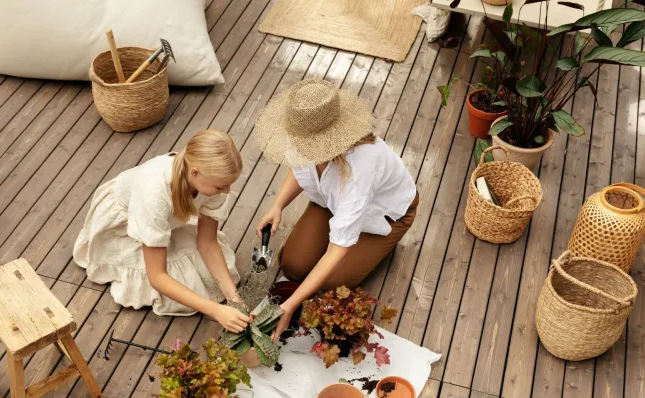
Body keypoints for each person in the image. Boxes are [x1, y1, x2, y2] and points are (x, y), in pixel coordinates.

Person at [253, 79, 418, 340]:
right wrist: (278, 206)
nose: (303, 151)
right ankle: (344, 227)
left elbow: (335, 252)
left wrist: (289, 306)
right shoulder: (304, 140)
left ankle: (381, 243)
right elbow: (298, 166)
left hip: (382, 215)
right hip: (332, 202)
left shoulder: (362, 165)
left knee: (331, 284)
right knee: (293, 266)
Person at [73, 129, 252, 333]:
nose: (227, 191)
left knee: (216, 274)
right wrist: (216, 311)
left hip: (167, 219)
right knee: (185, 287)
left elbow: (208, 243)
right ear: (195, 172)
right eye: (221, 187)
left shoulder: (214, 182)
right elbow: (157, 276)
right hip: (125, 225)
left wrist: (235, 301)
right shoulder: (154, 192)